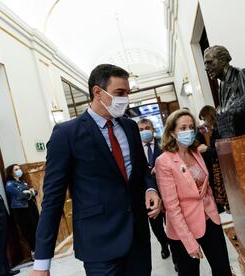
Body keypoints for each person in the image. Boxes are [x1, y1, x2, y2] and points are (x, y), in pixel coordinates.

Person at [30, 64, 161, 276]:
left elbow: (141, 172)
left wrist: (150, 189)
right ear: (98, 92)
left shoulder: (130, 127)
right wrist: (42, 263)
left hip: (137, 238)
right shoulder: (66, 134)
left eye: (127, 93)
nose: (125, 99)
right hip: (99, 244)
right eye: (120, 93)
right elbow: (53, 198)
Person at [155, 109, 232, 276]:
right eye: (182, 128)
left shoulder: (196, 152)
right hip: (184, 228)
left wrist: (212, 208)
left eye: (191, 127)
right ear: (172, 132)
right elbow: (172, 207)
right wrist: (189, 242)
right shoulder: (164, 161)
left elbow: (206, 186)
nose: (188, 131)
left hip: (209, 219)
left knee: (223, 270)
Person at [137, 118, 170, 259]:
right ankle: (164, 245)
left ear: (153, 129)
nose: (144, 131)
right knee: (156, 227)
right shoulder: (135, 150)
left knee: (170, 224)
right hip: (148, 194)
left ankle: (176, 254)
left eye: (147, 128)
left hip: (167, 191)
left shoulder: (164, 145)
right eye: (141, 129)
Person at [203, 45, 245, 113]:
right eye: (205, 64)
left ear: (223, 61)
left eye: (209, 62)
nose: (206, 68)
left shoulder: (242, 75)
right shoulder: (221, 87)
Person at [196, 105, 229, 213]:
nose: (204, 123)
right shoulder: (214, 130)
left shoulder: (219, 129)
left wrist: (207, 149)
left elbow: (223, 149)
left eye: (205, 119)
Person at [5, 164, 39, 256]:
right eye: (16, 169)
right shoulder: (10, 184)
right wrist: (28, 192)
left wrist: (29, 192)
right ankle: (34, 252)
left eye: (19, 168)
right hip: (22, 210)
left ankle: (40, 251)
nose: (19, 170)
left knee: (36, 227)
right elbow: (21, 195)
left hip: (31, 206)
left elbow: (35, 192)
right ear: (11, 173)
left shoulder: (22, 182)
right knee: (29, 231)